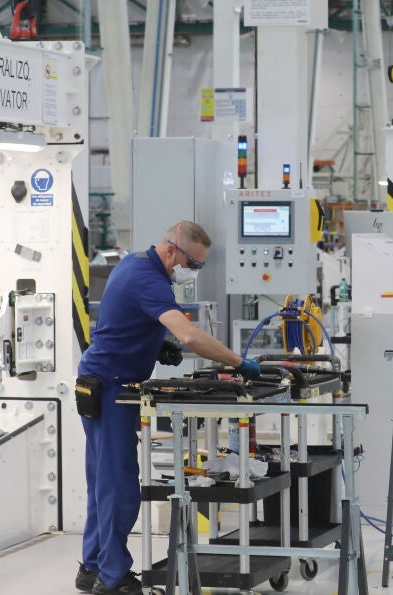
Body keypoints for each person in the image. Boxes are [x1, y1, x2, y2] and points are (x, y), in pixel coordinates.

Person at [75, 221, 261, 594]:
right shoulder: (150, 279)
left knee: (102, 481)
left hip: (98, 381)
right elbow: (190, 335)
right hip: (112, 388)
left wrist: (155, 344)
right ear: (172, 249)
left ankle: (92, 566)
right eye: (194, 263)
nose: (193, 271)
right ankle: (112, 578)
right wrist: (239, 363)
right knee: (118, 485)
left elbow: (122, 319)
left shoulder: (133, 264)